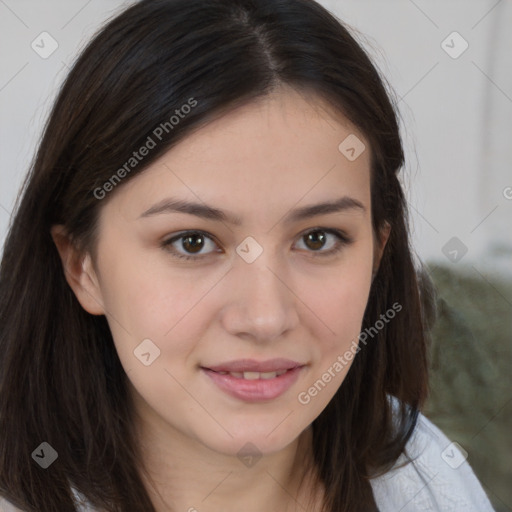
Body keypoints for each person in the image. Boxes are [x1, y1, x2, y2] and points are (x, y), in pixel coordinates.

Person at [0, 0, 496, 511]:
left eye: (318, 239)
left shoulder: (426, 478)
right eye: (192, 242)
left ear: (377, 251)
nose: (265, 317)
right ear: (82, 265)